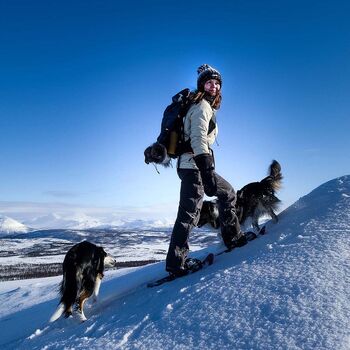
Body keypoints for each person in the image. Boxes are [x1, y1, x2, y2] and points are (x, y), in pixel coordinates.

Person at [165, 64, 247, 277]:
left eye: (218, 83)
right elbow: (199, 138)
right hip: (194, 167)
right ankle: (177, 263)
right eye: (210, 82)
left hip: (193, 165)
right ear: (202, 85)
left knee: (227, 192)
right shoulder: (201, 106)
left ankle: (234, 237)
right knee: (188, 215)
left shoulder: (203, 105)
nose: (215, 87)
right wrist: (207, 169)